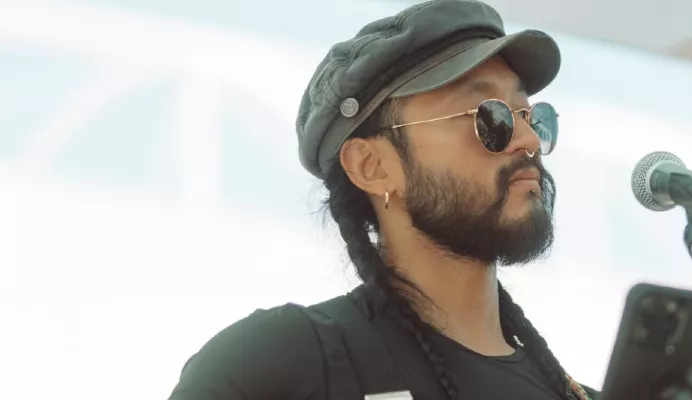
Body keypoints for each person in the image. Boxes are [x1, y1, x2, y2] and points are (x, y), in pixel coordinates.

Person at [167, 1, 592, 399]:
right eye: (490, 116)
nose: (529, 140)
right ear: (371, 166)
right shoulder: (277, 366)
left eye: (530, 115)